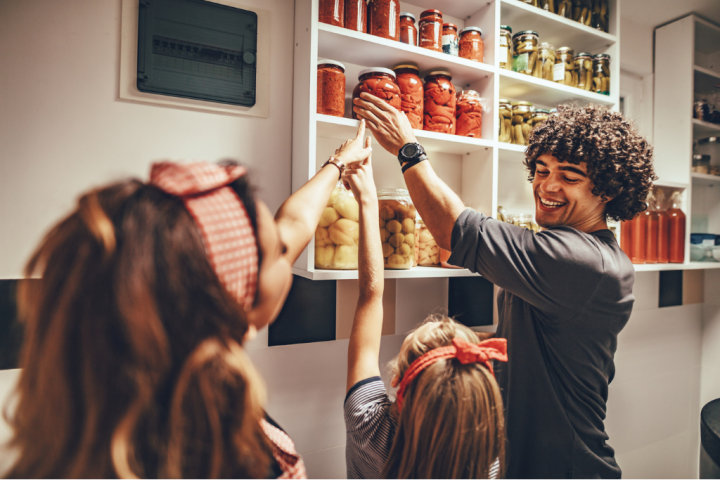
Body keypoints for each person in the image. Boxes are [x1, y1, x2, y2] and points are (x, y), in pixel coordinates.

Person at [2, 123, 372, 478]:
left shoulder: (87, 423)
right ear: (231, 304)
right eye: (279, 252)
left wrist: (338, 163)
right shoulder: (239, 461)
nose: (287, 246)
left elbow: (295, 222)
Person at [352, 95, 656, 478]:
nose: (548, 185)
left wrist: (408, 150)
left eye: (569, 177)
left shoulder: (578, 260)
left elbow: (451, 229)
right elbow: (530, 339)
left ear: (607, 190)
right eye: (542, 170)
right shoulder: (584, 254)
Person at [341, 150, 508, 479]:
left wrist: (368, 201)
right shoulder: (486, 463)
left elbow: (370, 297)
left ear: (397, 386)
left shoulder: (370, 428)